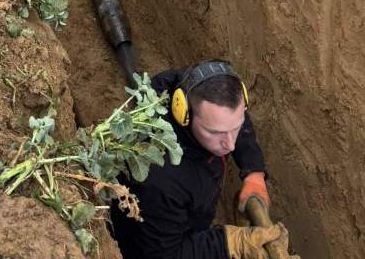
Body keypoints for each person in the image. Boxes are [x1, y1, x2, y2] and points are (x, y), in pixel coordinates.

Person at [110, 61, 294, 259]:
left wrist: (254, 172)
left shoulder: (199, 90)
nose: (230, 145)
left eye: (236, 128)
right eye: (215, 133)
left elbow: (231, 118)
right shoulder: (159, 180)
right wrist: (230, 243)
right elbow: (163, 254)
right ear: (184, 114)